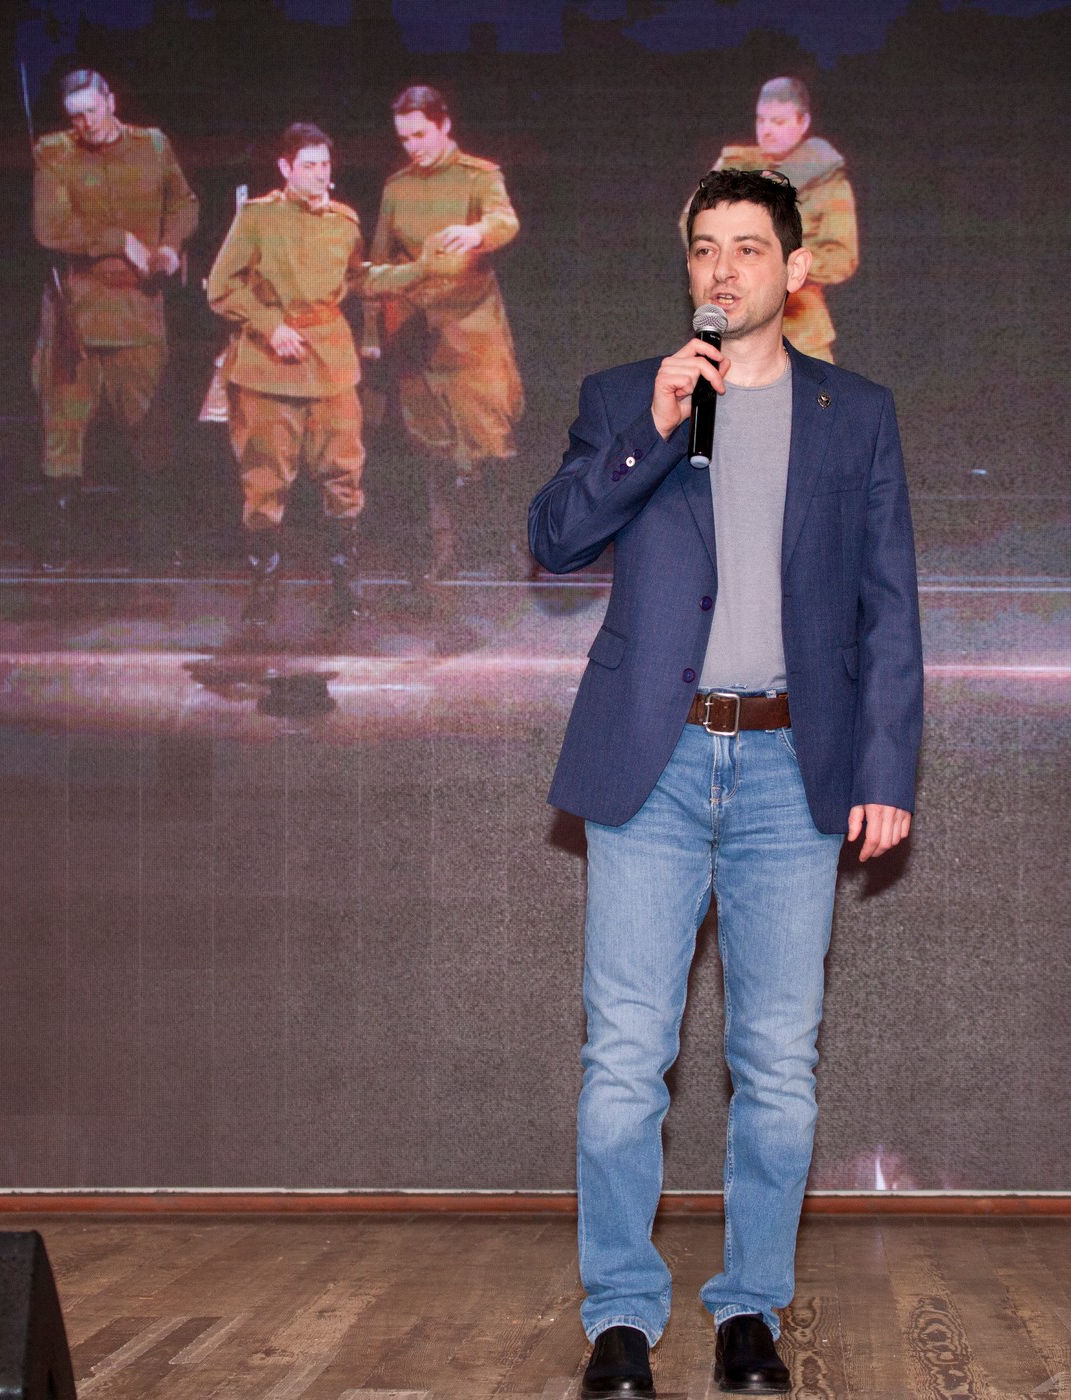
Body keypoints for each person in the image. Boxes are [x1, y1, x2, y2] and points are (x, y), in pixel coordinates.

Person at [530, 169, 921, 1397]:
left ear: (793, 270)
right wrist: (650, 430)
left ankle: (749, 1305)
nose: (721, 269)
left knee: (777, 1065)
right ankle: (619, 1314)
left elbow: (887, 607)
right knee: (622, 1059)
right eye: (704, 246)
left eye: (748, 247)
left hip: (788, 770)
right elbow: (552, 538)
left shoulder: (855, 413)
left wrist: (884, 766)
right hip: (650, 769)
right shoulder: (626, 396)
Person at [207, 123, 435, 626]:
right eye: (308, 165)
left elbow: (358, 278)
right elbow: (221, 287)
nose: (318, 174)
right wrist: (270, 326)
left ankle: (344, 587)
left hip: (330, 363)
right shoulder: (258, 218)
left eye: (324, 165)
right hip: (269, 367)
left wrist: (418, 270)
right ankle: (263, 591)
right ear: (285, 168)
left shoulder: (344, 221)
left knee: (344, 475)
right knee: (265, 481)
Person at [31, 68, 198, 570]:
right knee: (62, 431)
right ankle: (58, 543)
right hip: (76, 317)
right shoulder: (54, 152)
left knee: (150, 431)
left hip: (138, 313)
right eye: (75, 116)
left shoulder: (152, 145)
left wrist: (170, 247)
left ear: (110, 100)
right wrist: (118, 240)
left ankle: (157, 543)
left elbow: (184, 202)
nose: (85, 122)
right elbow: (50, 226)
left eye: (92, 110)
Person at [363, 84, 524, 580]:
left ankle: (502, 549)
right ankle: (445, 552)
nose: (413, 146)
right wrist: (371, 334)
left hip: (472, 330)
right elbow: (377, 264)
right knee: (430, 442)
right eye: (405, 138)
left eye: (420, 134)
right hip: (416, 330)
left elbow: (504, 220)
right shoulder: (397, 188)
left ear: (444, 125)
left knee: (489, 436)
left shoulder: (479, 175)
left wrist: (477, 233)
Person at [688, 77, 858, 363]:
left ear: (803, 122)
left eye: (778, 122)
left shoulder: (825, 176)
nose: (767, 130)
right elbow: (690, 222)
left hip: (801, 329)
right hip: (729, 331)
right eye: (762, 120)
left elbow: (841, 257)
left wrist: (777, 261)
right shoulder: (736, 164)